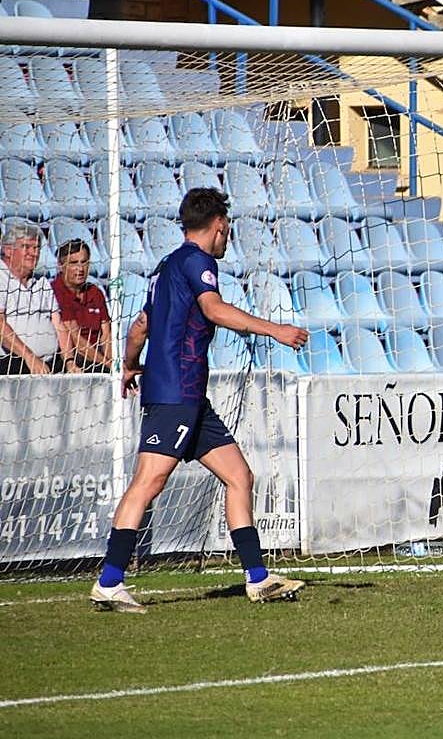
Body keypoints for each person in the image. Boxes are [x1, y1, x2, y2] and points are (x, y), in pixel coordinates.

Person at [89, 189, 310, 613]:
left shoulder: (165, 267)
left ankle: (258, 579)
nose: (228, 237)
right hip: (177, 392)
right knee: (148, 481)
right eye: (228, 228)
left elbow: (140, 326)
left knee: (239, 475)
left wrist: (131, 365)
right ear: (219, 225)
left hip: (188, 396)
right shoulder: (198, 262)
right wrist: (276, 330)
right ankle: (110, 581)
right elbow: (214, 310)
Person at [0, 218, 72, 375]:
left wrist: (70, 361)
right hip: (14, 363)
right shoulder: (2, 279)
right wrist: (29, 357)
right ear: (8, 250)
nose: (34, 253)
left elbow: (59, 325)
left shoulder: (42, 283)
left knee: (93, 370)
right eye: (27, 247)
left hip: (51, 362)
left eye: (37, 248)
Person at [51, 238, 112, 374]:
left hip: (99, 358)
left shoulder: (95, 293)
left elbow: (106, 335)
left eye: (84, 262)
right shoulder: (55, 291)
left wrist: (113, 363)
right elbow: (76, 340)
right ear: (61, 265)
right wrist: (108, 365)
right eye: (74, 263)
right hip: (74, 358)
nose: (80, 269)